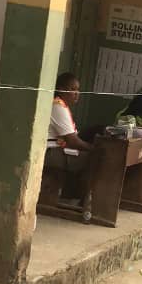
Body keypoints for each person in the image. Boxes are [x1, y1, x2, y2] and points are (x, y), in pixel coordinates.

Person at [46, 72, 94, 213]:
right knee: (92, 159)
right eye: (72, 89)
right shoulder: (58, 106)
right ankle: (75, 200)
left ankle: (71, 197)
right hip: (50, 151)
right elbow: (73, 141)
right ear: (62, 90)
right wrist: (92, 148)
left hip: (58, 148)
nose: (77, 93)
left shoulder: (63, 105)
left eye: (78, 90)